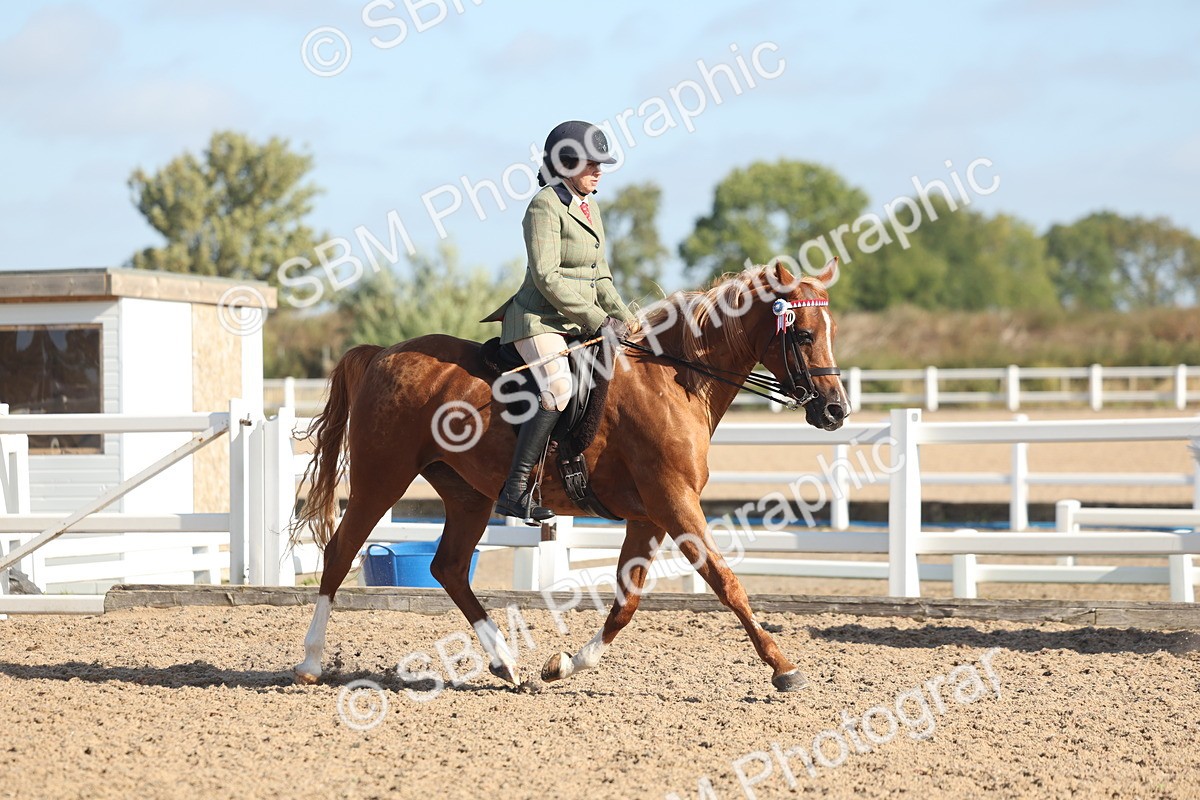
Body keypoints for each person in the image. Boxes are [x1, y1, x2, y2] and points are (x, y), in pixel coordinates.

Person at [482, 120, 635, 523]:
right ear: (566, 163)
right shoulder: (544, 206)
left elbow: (600, 276)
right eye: (591, 164)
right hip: (538, 320)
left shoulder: (590, 206)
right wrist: (598, 319)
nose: (599, 171)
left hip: (577, 322)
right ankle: (515, 490)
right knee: (559, 387)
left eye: (600, 164)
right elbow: (547, 276)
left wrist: (625, 319)